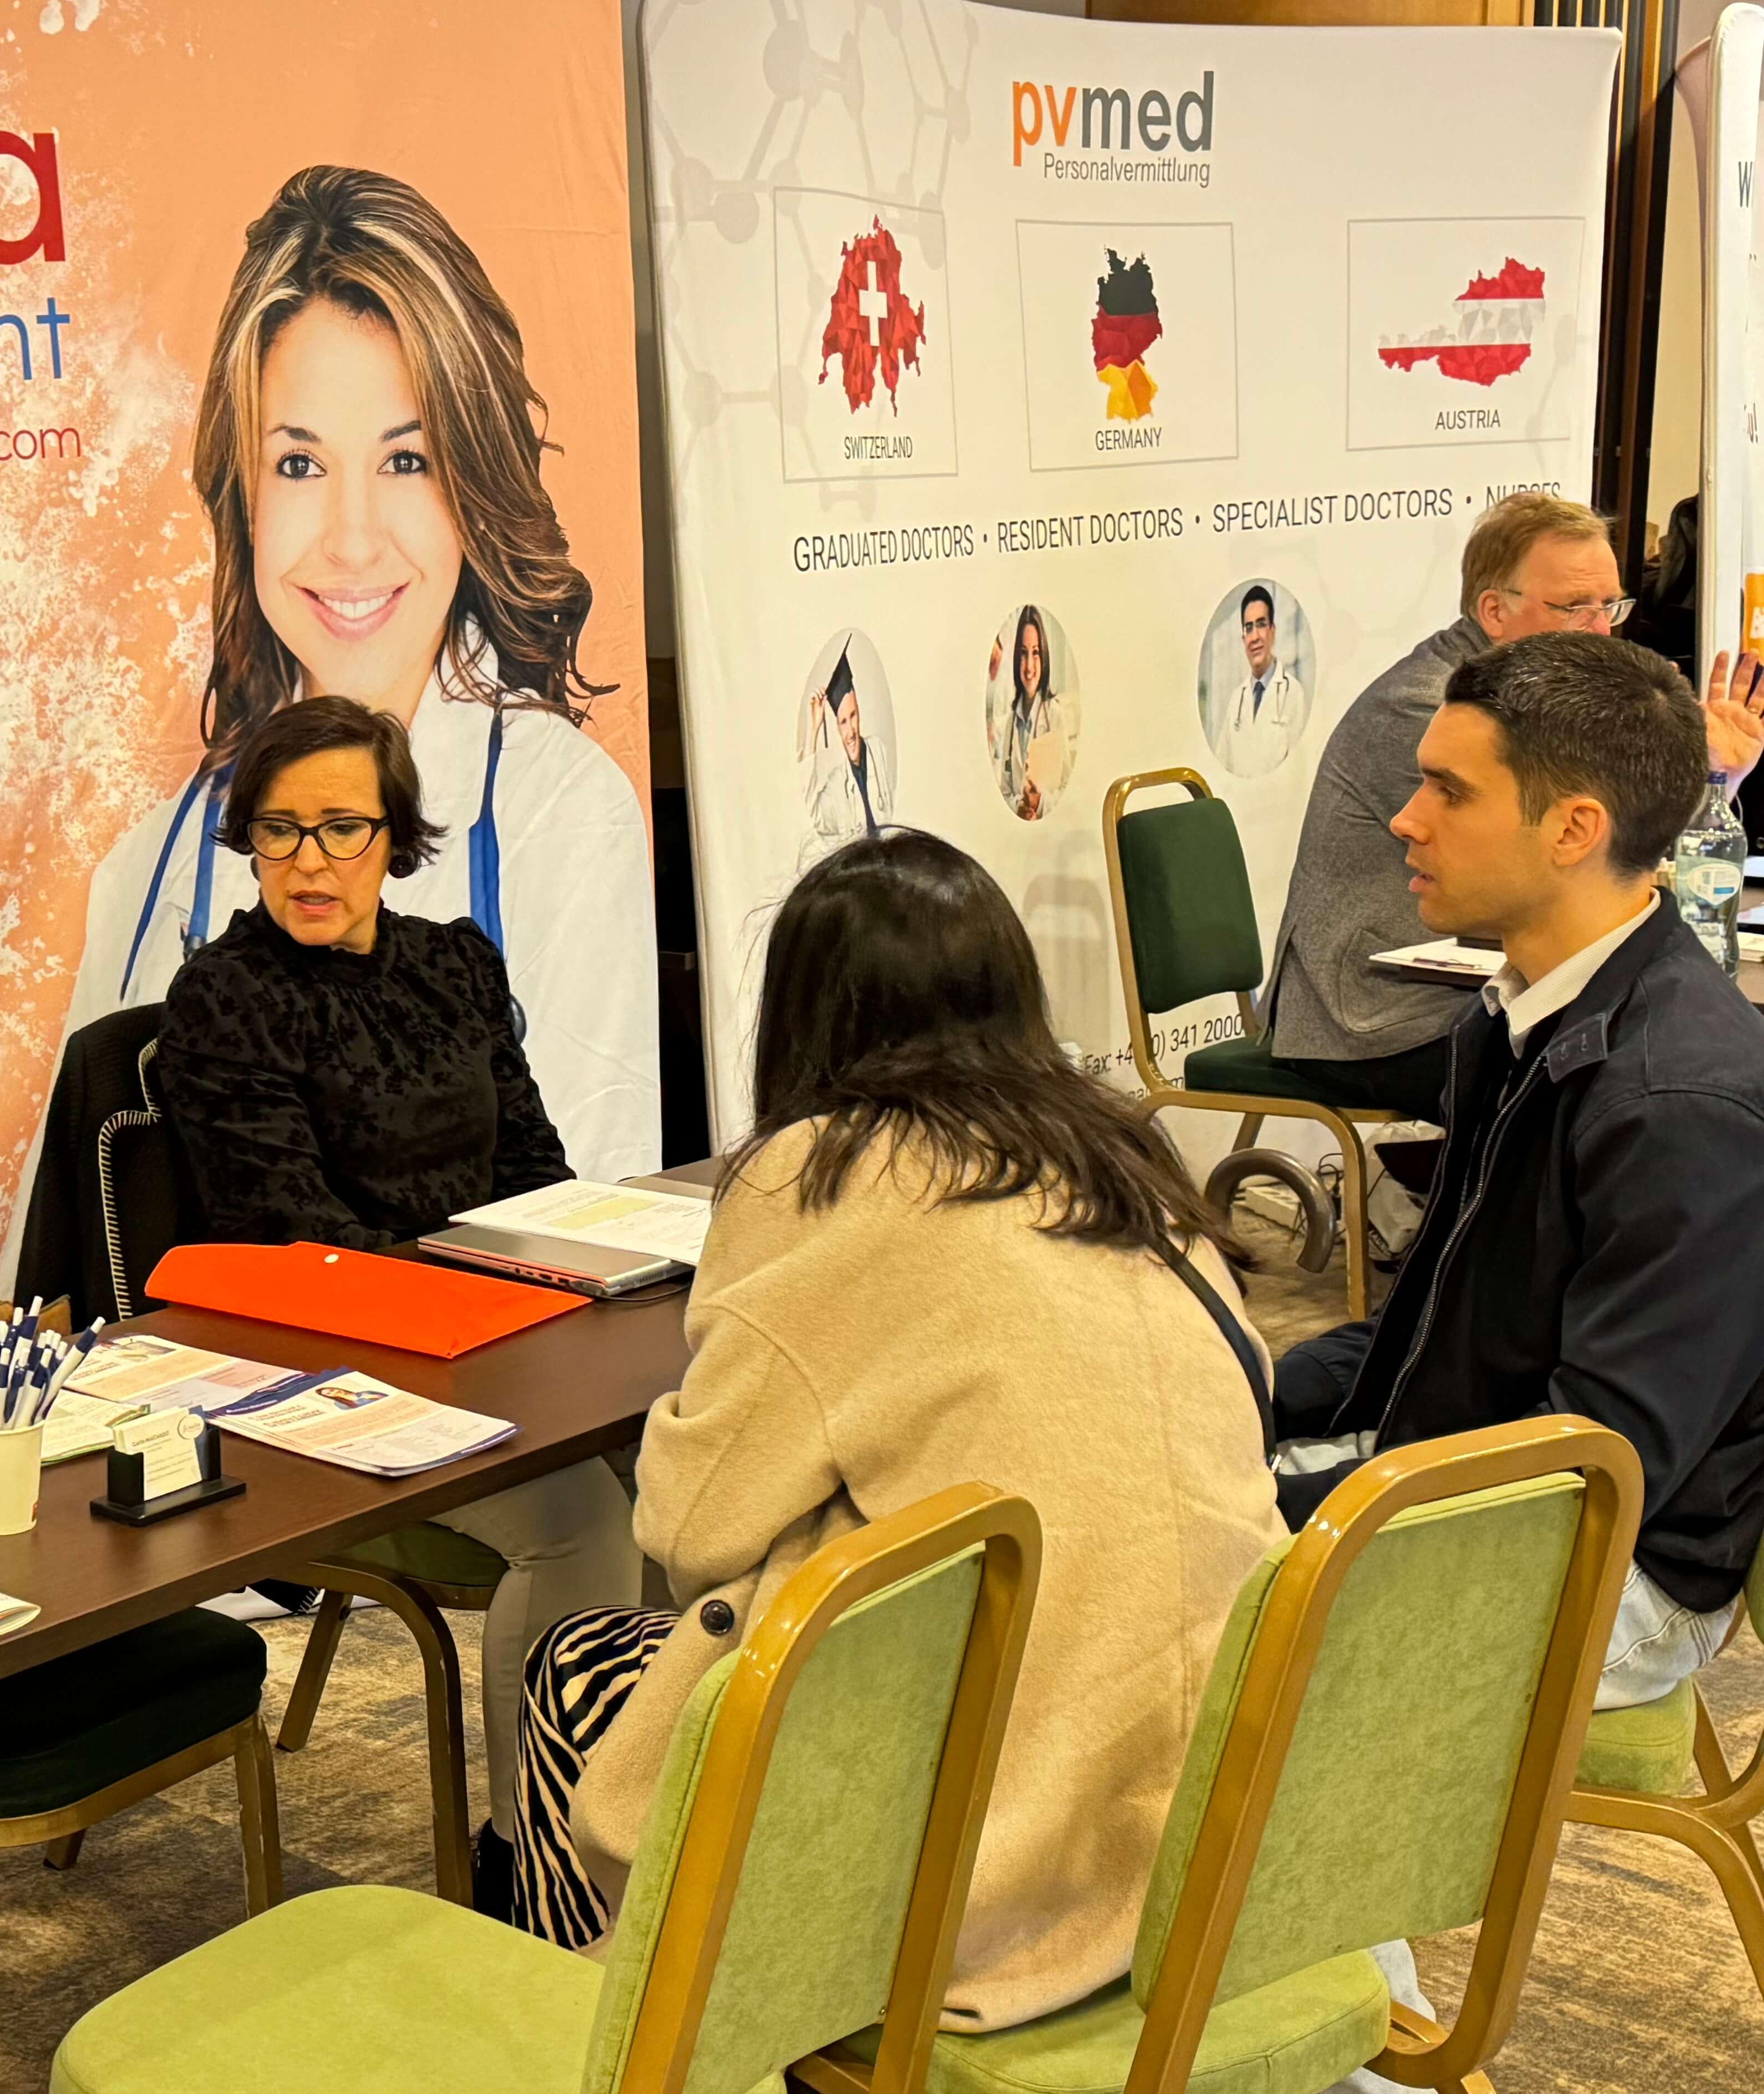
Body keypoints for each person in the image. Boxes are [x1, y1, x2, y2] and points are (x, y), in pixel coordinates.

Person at [508, 831, 1286, 2030]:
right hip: (1224, 1791)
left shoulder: (821, 1172)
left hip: (997, 1821)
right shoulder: (1120, 1153)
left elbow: (692, 1527)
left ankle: (607, 2033)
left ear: (801, 1014)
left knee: (578, 1671)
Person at [65, 166, 658, 1179]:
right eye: (299, 464)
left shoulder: (561, 814)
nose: (349, 539)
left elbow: (587, 1220)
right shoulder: (148, 867)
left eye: (405, 461)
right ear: (243, 495)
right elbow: (99, 1209)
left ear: (473, 487)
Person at [155, 693, 641, 1913]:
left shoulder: (453, 965)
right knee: (582, 1517)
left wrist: (548, 1300)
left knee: (692, 1461)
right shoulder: (227, 996)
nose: (308, 861)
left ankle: (654, 1809)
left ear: (395, 835)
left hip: (486, 1336)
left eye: (341, 828)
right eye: (278, 830)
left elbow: (534, 1173)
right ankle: (533, 1860)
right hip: (317, 1370)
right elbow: (297, 1237)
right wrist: (490, 1319)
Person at [1270, 633, 1764, 1707]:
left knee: (1180, 1606)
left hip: (1614, 1577)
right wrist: (1236, 1398)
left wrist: (1305, 1510)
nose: (1406, 819)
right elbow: (1432, 1329)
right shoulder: (1515, 1019)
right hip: (1477, 1475)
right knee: (1153, 1513)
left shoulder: (1678, 1103)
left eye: (1450, 790)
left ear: (1573, 830)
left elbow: (1588, 1477)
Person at [1263, 490, 1763, 1110]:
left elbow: (1606, 843)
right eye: (1574, 607)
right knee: (1635, 1066)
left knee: (1673, 1041)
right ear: (1494, 611)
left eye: (1610, 605)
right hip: (1380, 1016)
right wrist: (1699, 774)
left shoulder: (1538, 704)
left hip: (1485, 984)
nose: (1602, 629)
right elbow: (1586, 851)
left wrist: (1717, 780)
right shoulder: (1440, 713)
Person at [802, 644, 891, 853]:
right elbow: (814, 815)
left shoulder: (879, 752)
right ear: (837, 728)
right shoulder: (837, 784)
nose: (850, 731)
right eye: (843, 722)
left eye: (853, 716)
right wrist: (814, 730)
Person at [990, 603, 1074, 820]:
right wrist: (1019, 807)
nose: (1029, 667)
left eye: (1035, 653)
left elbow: (1068, 789)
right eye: (1023, 654)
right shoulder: (1010, 724)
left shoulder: (1055, 716)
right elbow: (1005, 791)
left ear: (1044, 658)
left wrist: (1040, 804)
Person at [1214, 581, 1306, 777]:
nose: (1255, 637)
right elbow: (1222, 766)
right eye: (1249, 628)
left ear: (1273, 631)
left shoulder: (1294, 694)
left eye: (1261, 625)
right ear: (1243, 639)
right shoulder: (1236, 701)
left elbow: (1299, 769)